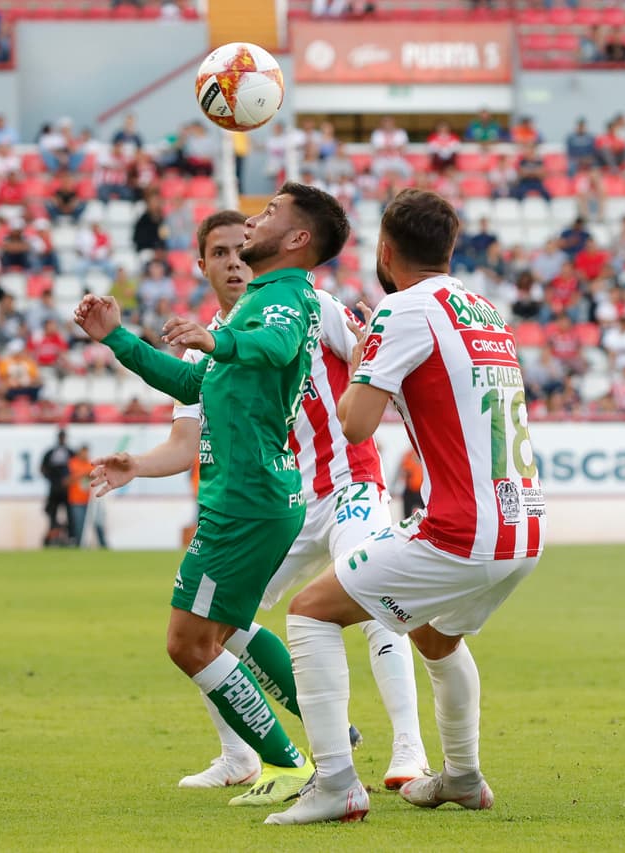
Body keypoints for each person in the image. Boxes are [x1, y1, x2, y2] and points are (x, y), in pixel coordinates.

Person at [90, 210, 428, 792]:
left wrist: (379, 348)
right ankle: (248, 753)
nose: (234, 261)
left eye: (239, 248)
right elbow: (186, 438)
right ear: (203, 267)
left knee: (376, 599)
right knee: (222, 625)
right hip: (285, 494)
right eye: (219, 254)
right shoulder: (206, 344)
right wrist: (138, 466)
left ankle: (408, 750)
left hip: (346, 481)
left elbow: (367, 358)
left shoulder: (307, 304)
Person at [266, 189, 545, 825]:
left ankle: (335, 784)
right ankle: (462, 777)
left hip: (462, 530)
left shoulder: (400, 311)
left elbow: (357, 425)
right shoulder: (483, 308)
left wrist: (364, 359)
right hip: (523, 526)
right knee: (433, 632)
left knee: (310, 611)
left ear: (385, 253)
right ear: (449, 249)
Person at [74, 183, 351, 807]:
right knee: (223, 635)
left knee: (188, 643)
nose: (256, 221)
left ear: (299, 239)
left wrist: (216, 340)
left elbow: (274, 348)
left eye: (270, 214)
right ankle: (324, 745)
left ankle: (283, 764)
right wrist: (119, 340)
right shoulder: (259, 302)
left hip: (245, 501)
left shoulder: (283, 298)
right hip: (258, 496)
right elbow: (195, 381)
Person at [39, 429, 73, 546]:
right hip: (54, 490)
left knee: (70, 515)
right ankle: (52, 539)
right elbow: (42, 469)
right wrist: (52, 480)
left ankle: (69, 539)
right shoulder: (50, 453)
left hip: (68, 491)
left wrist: (69, 480)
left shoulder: (70, 452)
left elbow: (76, 470)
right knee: (52, 516)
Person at [67, 445, 95, 546]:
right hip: (76, 499)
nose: (85, 455)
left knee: (93, 524)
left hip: (90, 501)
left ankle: (87, 544)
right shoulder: (72, 463)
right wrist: (82, 475)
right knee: (78, 524)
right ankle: (79, 544)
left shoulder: (91, 464)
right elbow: (67, 480)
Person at [397, 448, 424, 520]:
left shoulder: (425, 454)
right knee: (407, 516)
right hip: (410, 490)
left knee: (425, 515)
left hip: (422, 491)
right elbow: (403, 471)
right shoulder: (408, 455)